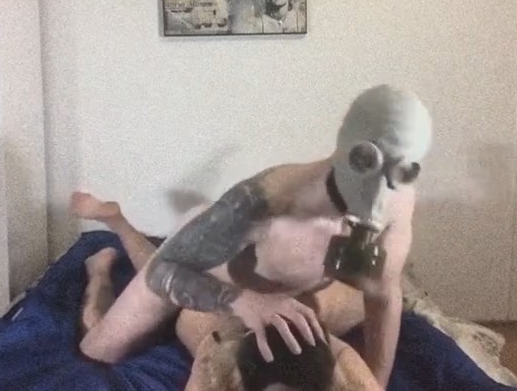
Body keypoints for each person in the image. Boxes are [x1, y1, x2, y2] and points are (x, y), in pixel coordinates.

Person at [77, 84, 432, 388]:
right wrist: (245, 303)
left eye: (402, 171)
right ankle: (110, 241)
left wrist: (376, 383)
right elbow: (164, 270)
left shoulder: (398, 201)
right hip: (222, 272)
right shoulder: (263, 204)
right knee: (97, 348)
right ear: (344, 145)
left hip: (302, 292)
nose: (380, 189)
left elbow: (384, 294)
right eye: (366, 161)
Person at [72, 192, 384, 390]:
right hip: (206, 261)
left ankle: (118, 223)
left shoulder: (332, 350)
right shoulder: (218, 362)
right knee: (97, 343)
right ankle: (101, 264)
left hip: (235, 276)